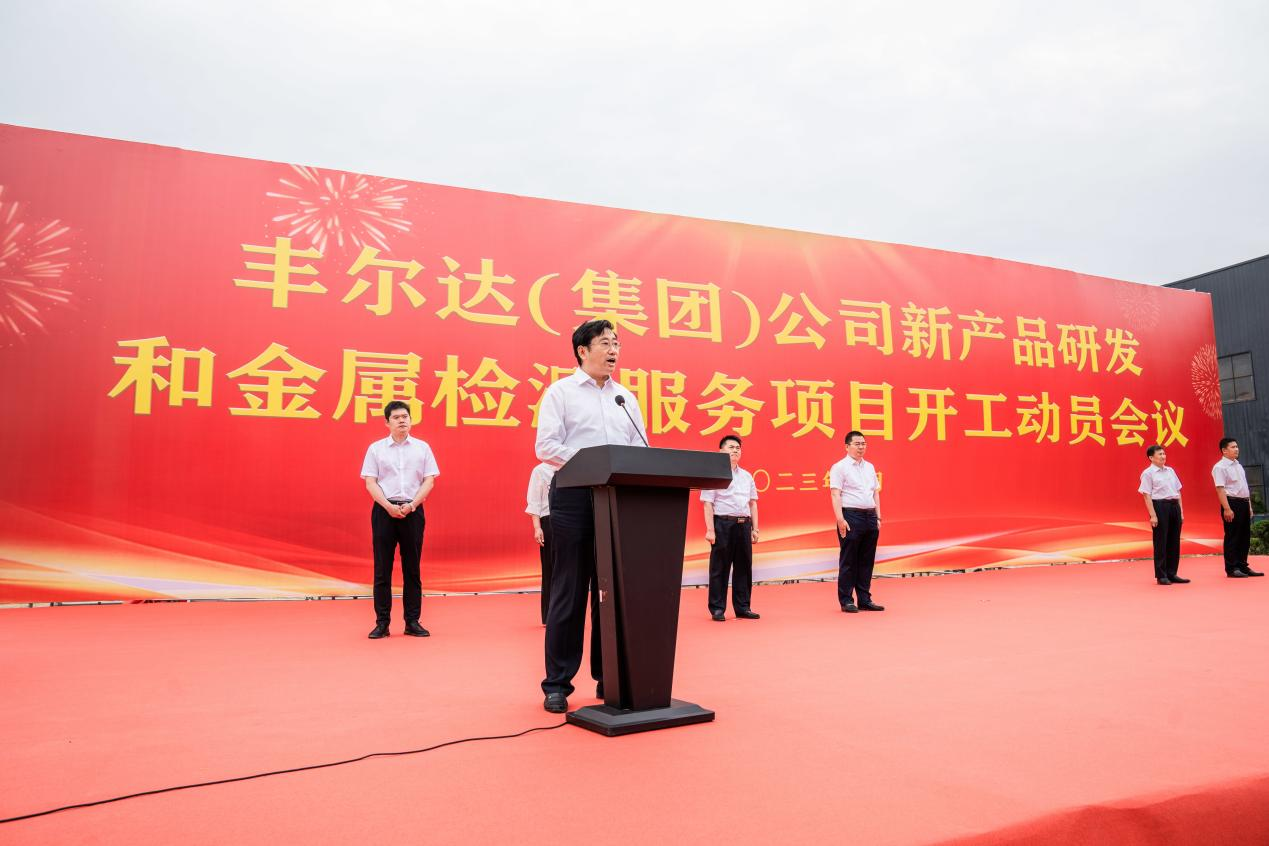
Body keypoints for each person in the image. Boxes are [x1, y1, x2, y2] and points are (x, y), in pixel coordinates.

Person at [535, 319, 649, 713]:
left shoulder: (626, 398)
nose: (613, 350)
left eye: (616, 343)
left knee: (611, 591)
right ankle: (557, 683)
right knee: (569, 590)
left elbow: (640, 447)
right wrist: (597, 463)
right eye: (605, 343)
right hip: (574, 498)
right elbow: (546, 446)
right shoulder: (560, 393)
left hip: (617, 500)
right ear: (582, 350)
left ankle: (609, 676)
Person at [360, 400, 440, 638]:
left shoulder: (423, 448)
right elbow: (370, 481)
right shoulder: (376, 449)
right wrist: (387, 506)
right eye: (396, 417)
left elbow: (429, 480)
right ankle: (382, 622)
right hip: (384, 512)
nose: (402, 420)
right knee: (382, 569)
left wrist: (413, 504)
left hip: (413, 512)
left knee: (412, 569)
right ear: (387, 423)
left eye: (405, 416)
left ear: (411, 420)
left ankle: (412, 621)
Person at [701, 434, 760, 621]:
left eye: (738, 448)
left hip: (744, 525)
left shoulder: (747, 476)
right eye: (731, 447)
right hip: (723, 524)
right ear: (721, 451)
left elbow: (753, 504)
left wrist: (755, 529)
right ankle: (717, 608)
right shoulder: (714, 472)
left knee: (744, 567)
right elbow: (708, 504)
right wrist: (710, 529)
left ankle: (743, 607)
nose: (735, 450)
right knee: (720, 567)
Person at [829, 430, 884, 613]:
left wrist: (878, 516)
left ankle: (864, 599)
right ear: (847, 446)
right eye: (857, 444)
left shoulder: (869, 466)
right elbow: (835, 494)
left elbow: (875, 491)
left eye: (863, 444)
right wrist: (840, 520)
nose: (861, 447)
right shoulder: (839, 467)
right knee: (849, 560)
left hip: (869, 516)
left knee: (866, 560)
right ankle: (846, 600)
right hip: (850, 516)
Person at [1213, 437, 1262, 578]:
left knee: (1244, 536)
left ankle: (1243, 565)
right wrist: (1227, 509)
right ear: (1224, 450)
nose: (1236, 449)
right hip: (1231, 503)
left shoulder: (1238, 465)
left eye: (1237, 446)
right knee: (1232, 536)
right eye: (1233, 447)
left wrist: (1249, 506)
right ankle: (1232, 568)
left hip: (1244, 503)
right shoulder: (1220, 467)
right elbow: (1220, 489)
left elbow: (1244, 487)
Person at [1139, 445, 1187, 585]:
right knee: (1161, 541)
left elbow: (1178, 491)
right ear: (1151, 457)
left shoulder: (1170, 471)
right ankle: (1161, 575)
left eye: (1164, 454)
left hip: (1174, 506)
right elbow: (1146, 495)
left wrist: (1181, 511)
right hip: (1160, 507)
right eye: (1160, 454)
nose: (1163, 456)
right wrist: (1153, 515)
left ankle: (1172, 573)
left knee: (1174, 541)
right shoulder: (1148, 473)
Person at [525, 461, 557, 625]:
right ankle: (549, 614)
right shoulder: (540, 470)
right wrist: (537, 527)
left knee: (569, 569)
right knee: (550, 568)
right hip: (549, 521)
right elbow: (534, 501)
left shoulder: (572, 467)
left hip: (571, 520)